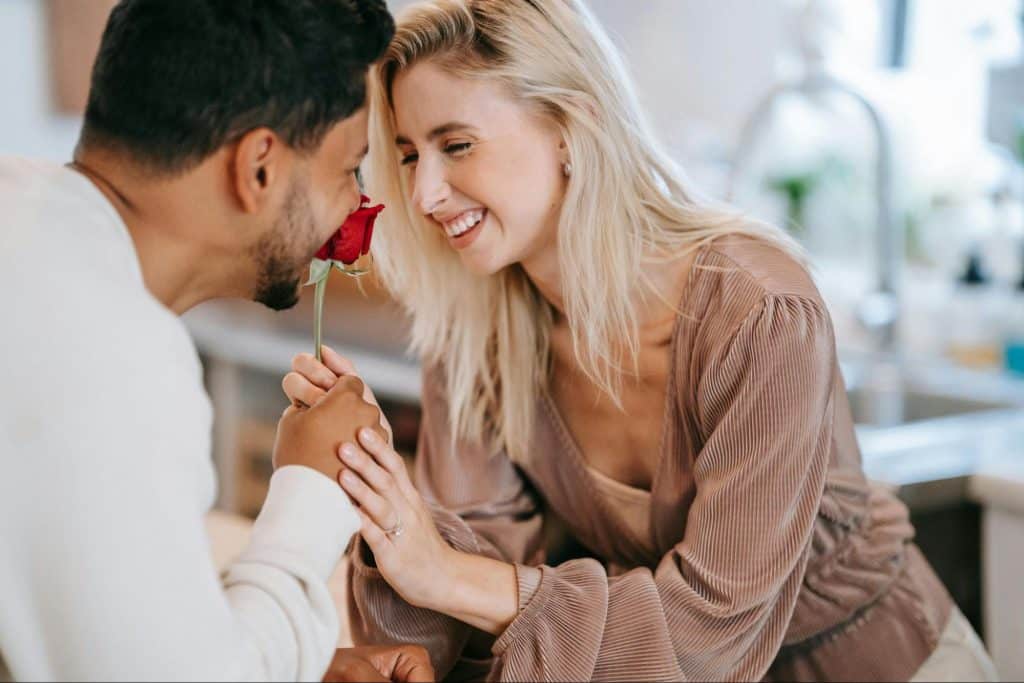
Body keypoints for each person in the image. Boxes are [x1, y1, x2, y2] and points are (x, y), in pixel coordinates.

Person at [282, 0, 1000, 680]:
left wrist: (445, 572)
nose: (425, 194)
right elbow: (475, 566)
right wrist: (382, 506)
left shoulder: (756, 311)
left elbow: (709, 630)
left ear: (572, 127)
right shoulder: (475, 334)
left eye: (457, 145)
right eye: (409, 155)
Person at [0, 1, 433, 680]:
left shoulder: (21, 212)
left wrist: (288, 655)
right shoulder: (114, 352)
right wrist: (312, 487)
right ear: (259, 167)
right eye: (350, 169)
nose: (355, 204)